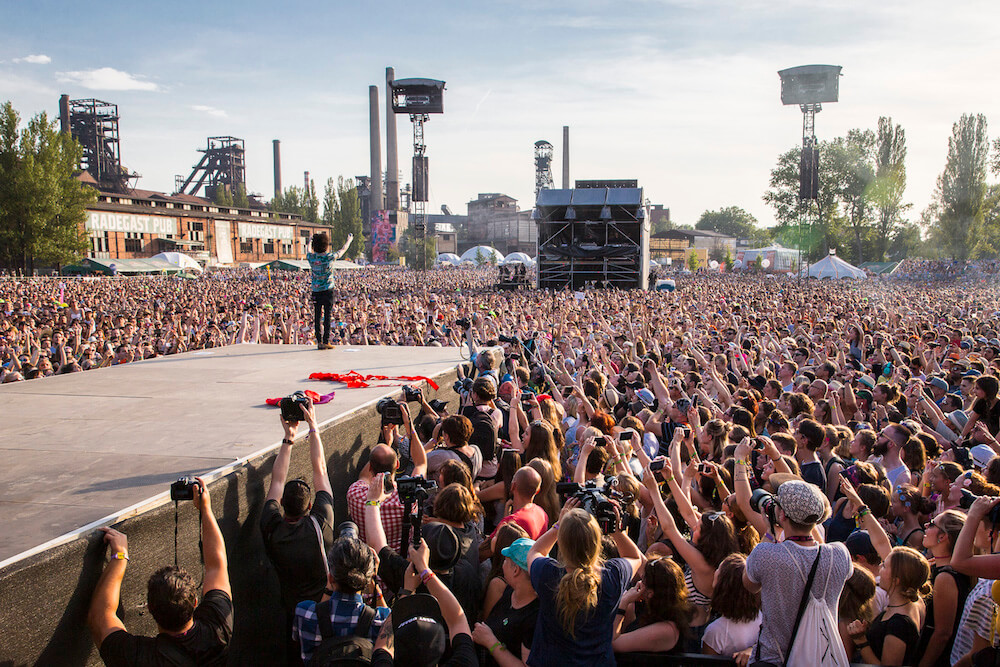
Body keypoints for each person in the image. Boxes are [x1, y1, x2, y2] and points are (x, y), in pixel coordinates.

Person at [88, 478, 232, 666]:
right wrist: (206, 510)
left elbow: (100, 616)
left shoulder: (138, 656)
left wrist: (119, 557)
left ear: (149, 608)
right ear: (195, 602)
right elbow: (217, 565)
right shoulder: (217, 630)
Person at [742, 478, 852, 666]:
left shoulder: (766, 554)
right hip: (821, 658)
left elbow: (749, 585)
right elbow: (819, 555)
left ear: (782, 515)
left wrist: (770, 532)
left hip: (773, 659)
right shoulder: (839, 554)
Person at [259, 400, 335, 663]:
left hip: (292, 612)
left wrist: (288, 439)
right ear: (311, 506)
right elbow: (320, 470)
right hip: (324, 610)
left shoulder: (271, 527)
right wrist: (313, 427)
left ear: (281, 506)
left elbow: (277, 481)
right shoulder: (320, 523)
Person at [525, 502, 644, 666]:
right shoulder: (612, 576)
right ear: (597, 542)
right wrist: (616, 530)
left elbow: (534, 552)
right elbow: (634, 557)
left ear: (561, 543)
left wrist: (557, 527)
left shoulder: (548, 574)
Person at [292, 525, 390, 665]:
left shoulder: (305, 612)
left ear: (331, 578)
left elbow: (299, 638)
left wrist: (328, 586)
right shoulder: (381, 619)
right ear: (367, 578)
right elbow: (390, 621)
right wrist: (374, 583)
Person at [371, 539, 478, 667]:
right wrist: (425, 570)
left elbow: (384, 643)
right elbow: (457, 619)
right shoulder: (464, 663)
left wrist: (407, 590)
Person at [847, 547, 930, 666]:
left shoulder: (898, 624)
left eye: (884, 566)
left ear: (895, 580)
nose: (880, 567)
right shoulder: (914, 603)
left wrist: (861, 640)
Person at [472, 537, 540, 667]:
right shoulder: (510, 590)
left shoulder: (534, 616)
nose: (502, 564)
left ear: (516, 570)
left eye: (506, 560)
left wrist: (491, 643)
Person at [612, 556, 694, 655]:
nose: (638, 583)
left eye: (642, 580)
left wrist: (624, 602)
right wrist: (629, 606)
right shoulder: (655, 613)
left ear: (650, 593)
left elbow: (614, 644)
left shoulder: (666, 630)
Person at [701, 553, 761, 659]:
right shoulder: (762, 618)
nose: (715, 571)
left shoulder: (715, 631)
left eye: (719, 569)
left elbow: (707, 662)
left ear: (723, 585)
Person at [306, 232, 353, 350]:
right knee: (327, 315)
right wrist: (349, 240)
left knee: (317, 316)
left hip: (316, 290)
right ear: (326, 245)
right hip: (328, 290)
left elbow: (307, 250)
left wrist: (309, 240)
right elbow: (342, 250)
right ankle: (326, 341)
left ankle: (319, 341)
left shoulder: (312, 258)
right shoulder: (329, 257)